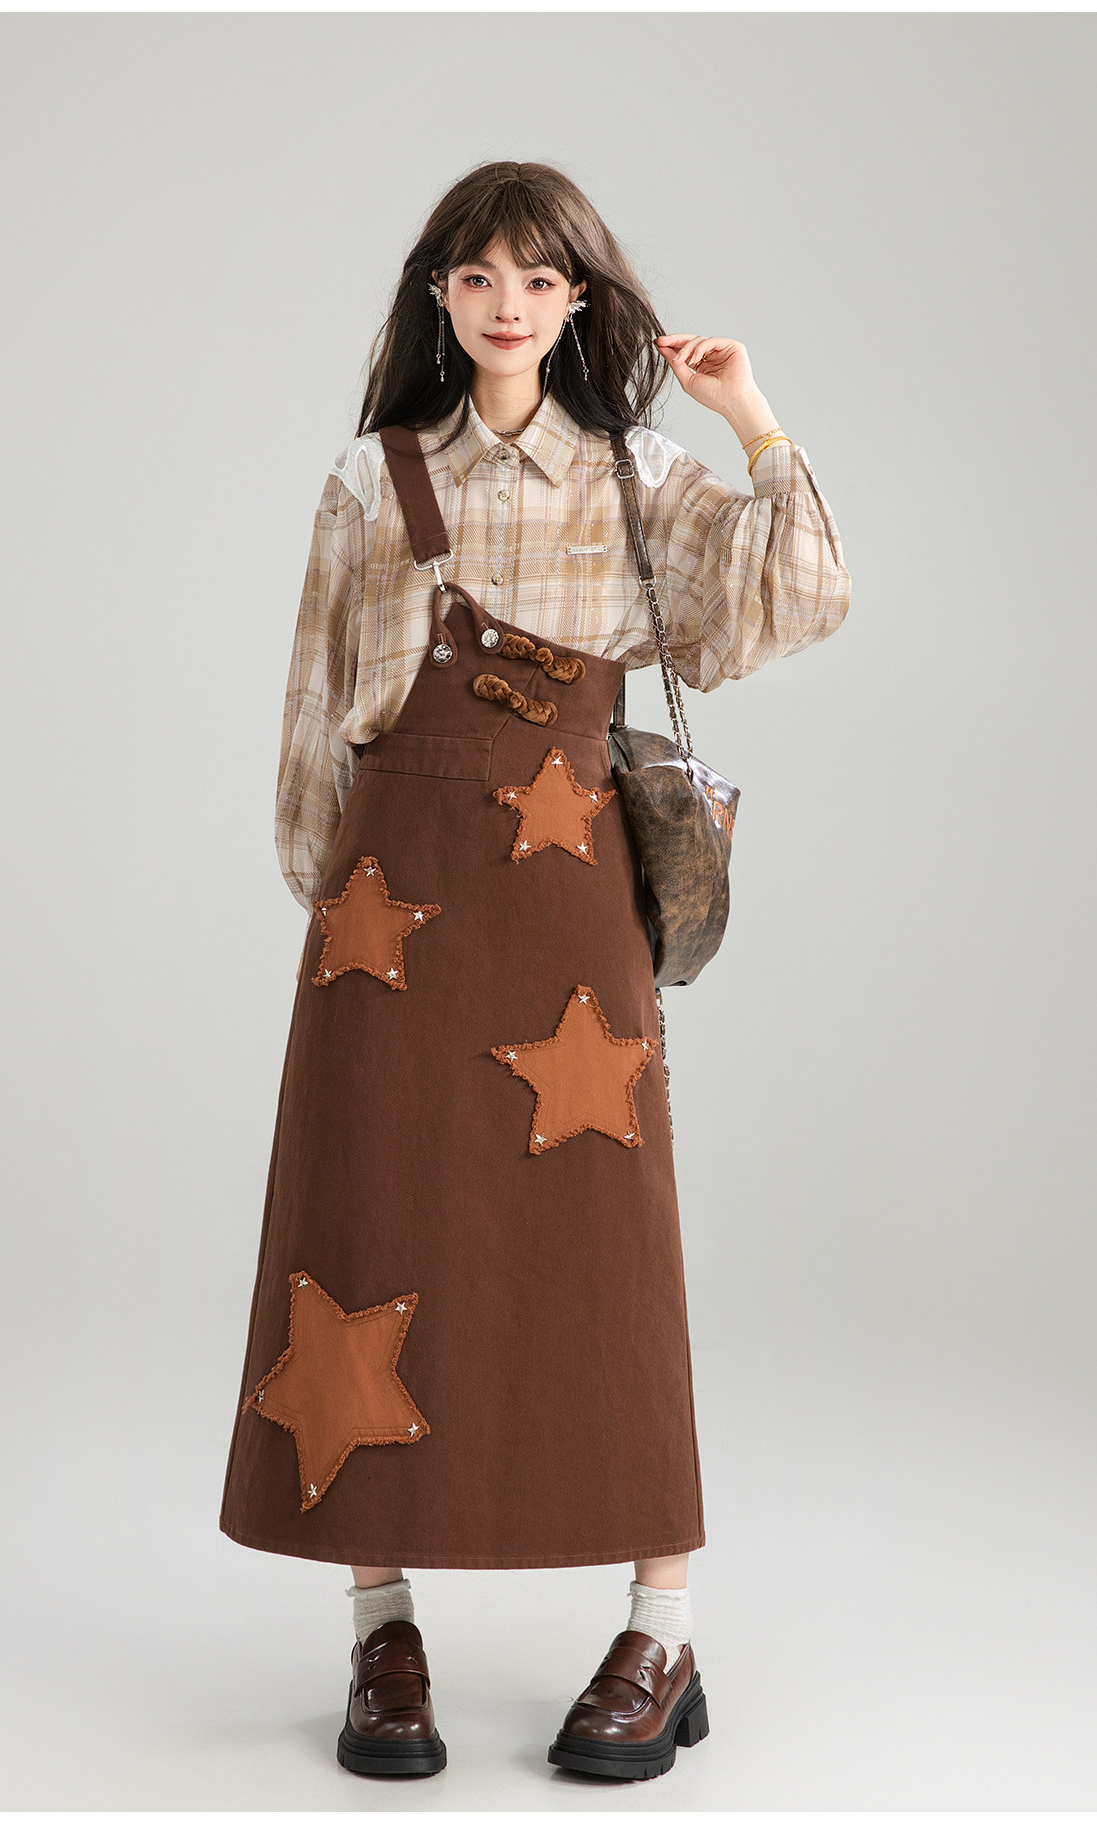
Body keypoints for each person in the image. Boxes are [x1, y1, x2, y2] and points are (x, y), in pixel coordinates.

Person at [219, 159, 850, 1782]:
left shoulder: (640, 475)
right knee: (366, 1221)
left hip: (570, 903)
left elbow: (804, 594)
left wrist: (749, 414)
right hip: (386, 903)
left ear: (579, 303)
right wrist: (329, 911)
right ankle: (381, 1627)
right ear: (441, 294)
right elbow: (314, 709)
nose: (510, 305)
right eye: (481, 277)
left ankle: (663, 1625)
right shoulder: (371, 479)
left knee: (605, 1246)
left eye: (541, 280)